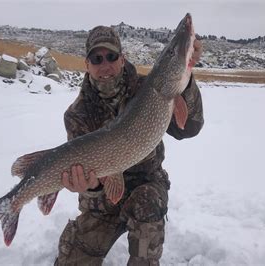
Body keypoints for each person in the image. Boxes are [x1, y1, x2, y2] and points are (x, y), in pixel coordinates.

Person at [54, 25, 204, 265]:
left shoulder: (149, 90)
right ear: (87, 64)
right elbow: (86, 173)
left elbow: (189, 128)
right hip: (102, 200)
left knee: (147, 201)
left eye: (112, 56)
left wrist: (186, 84)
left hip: (146, 189)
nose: (105, 65)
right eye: (97, 58)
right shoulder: (77, 114)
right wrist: (90, 186)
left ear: (122, 59)